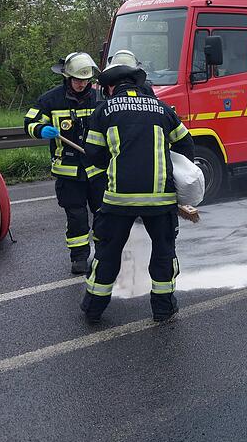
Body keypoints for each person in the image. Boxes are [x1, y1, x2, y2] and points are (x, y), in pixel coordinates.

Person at [80, 58, 195, 323]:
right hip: (161, 200)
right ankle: (163, 309)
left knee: (108, 253)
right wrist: (172, 178)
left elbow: (93, 154)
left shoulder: (104, 111)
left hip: (118, 200)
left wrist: (108, 180)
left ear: (110, 87)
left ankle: (93, 309)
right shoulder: (162, 108)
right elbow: (186, 146)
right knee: (164, 251)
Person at [24, 52, 105, 274]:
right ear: (67, 77)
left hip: (98, 169)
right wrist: (41, 129)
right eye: (77, 80)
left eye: (85, 80)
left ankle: (103, 254)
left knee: (103, 213)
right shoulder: (50, 99)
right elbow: (29, 122)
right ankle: (79, 258)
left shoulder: (100, 98)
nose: (81, 84)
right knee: (76, 215)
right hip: (68, 171)